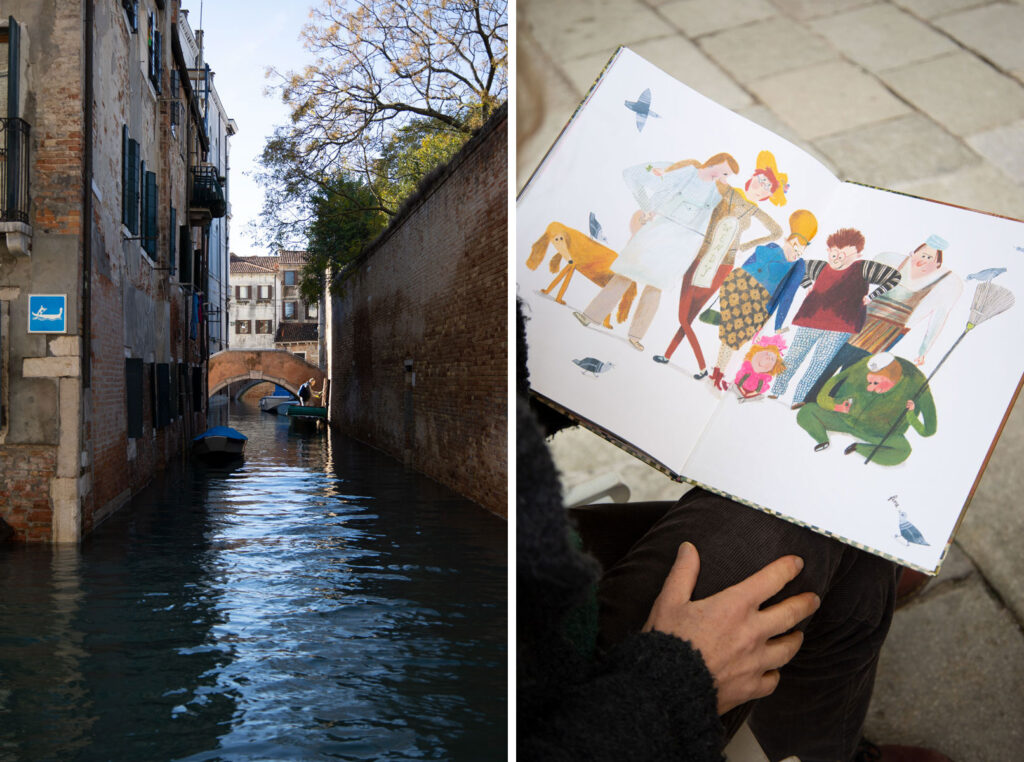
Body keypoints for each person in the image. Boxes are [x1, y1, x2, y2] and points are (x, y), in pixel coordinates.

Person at [573, 153, 738, 350]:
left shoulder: (716, 191)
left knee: (656, 286)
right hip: (659, 228)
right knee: (626, 273)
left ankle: (636, 335)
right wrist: (646, 208)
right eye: (725, 172)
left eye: (728, 175)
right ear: (717, 163)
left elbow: (710, 220)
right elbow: (641, 179)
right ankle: (591, 315)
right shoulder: (686, 172)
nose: (725, 178)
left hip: (683, 241)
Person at [652, 150, 787, 379]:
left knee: (688, 317)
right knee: (684, 315)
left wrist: (748, 245)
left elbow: (777, 231)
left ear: (768, 195)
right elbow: (703, 173)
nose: (761, 186)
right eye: (760, 180)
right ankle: (684, 360)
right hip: (701, 256)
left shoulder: (755, 210)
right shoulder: (728, 191)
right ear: (752, 178)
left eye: (767, 187)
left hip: (723, 265)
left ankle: (696, 365)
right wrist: (668, 173)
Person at [802, 235, 961, 404]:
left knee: (856, 369)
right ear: (913, 253)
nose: (923, 259)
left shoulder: (941, 283)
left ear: (937, 264)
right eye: (921, 254)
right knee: (835, 358)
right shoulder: (892, 264)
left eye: (929, 258)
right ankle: (810, 399)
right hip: (864, 320)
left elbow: (939, 317)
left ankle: (830, 403)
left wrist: (923, 351)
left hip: (889, 332)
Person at [681, 209, 816, 390]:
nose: (796, 253)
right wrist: (729, 287)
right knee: (729, 338)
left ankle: (719, 373)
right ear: (787, 240)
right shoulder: (770, 248)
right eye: (795, 246)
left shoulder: (798, 265)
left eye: (801, 250)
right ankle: (717, 373)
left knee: (734, 341)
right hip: (738, 290)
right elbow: (747, 266)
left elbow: (787, 296)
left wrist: (777, 324)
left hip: (758, 303)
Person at [768, 228, 901, 407]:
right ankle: (776, 390)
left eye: (847, 255)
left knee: (818, 364)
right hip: (810, 320)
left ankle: (799, 399)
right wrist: (807, 285)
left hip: (841, 327)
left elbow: (894, 276)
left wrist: (872, 295)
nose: (839, 260)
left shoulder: (864, 268)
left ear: (858, 255)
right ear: (829, 250)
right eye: (836, 254)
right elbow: (798, 268)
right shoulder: (820, 267)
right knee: (793, 357)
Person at [796, 352, 937, 465]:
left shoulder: (917, 383)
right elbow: (827, 390)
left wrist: (911, 415)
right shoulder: (865, 364)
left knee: (903, 451)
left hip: (877, 434)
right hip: (844, 419)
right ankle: (822, 439)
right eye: (869, 382)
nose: (870, 388)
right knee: (806, 412)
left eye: (876, 383)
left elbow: (928, 431)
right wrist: (836, 406)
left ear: (894, 378)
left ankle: (859, 448)